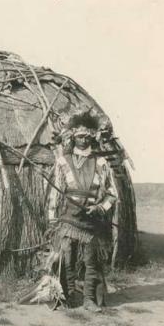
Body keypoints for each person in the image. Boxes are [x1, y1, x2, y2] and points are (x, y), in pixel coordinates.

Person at [47, 112, 118, 312]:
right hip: (69, 219)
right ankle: (67, 296)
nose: (83, 139)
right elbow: (55, 192)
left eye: (87, 136)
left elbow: (112, 194)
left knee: (91, 261)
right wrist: (52, 219)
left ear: (92, 137)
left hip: (91, 221)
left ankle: (89, 300)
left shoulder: (101, 163)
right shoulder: (63, 161)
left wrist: (98, 207)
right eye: (79, 136)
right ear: (73, 137)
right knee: (66, 258)